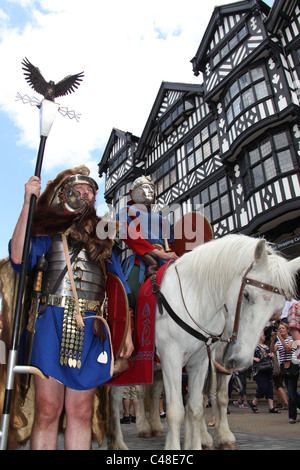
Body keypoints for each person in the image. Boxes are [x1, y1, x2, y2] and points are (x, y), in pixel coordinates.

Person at [9, 166, 134, 450]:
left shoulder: (103, 238)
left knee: (81, 411)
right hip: (49, 321)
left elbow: (119, 287)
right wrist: (28, 204)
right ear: (63, 194)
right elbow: (19, 257)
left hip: (91, 326)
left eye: (90, 190)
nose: (86, 194)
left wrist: (126, 332)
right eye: (79, 189)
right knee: (48, 409)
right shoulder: (46, 229)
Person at [118, 175, 178, 312]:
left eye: (152, 189)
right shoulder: (127, 212)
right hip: (139, 260)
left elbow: (169, 244)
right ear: (133, 193)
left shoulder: (162, 219)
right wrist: (157, 254)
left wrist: (169, 255)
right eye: (145, 188)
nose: (150, 192)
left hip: (165, 260)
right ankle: (129, 329)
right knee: (129, 293)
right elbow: (133, 238)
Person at [271, 322, 299, 424]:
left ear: (287, 330)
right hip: (284, 368)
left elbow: (288, 349)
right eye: (279, 328)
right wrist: (273, 339)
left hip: (292, 367)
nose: (281, 330)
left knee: (291, 393)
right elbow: (272, 350)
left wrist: (280, 338)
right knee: (293, 393)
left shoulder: (292, 339)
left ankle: (292, 416)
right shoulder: (278, 341)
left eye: (283, 328)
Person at [249, 331, 280, 414]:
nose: (264, 336)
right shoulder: (254, 346)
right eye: (263, 335)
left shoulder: (265, 346)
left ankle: (271, 407)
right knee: (263, 387)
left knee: (270, 387)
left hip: (268, 369)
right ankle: (254, 402)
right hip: (259, 370)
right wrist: (254, 359)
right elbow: (248, 355)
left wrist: (271, 355)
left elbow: (271, 352)